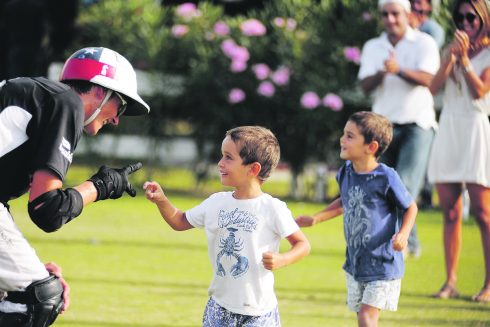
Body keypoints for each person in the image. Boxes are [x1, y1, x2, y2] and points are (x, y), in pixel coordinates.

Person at [0, 46, 149, 326]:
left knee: (21, 289)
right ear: (100, 90)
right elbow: (48, 209)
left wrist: (25, 268)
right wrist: (102, 186)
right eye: (122, 104)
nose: (117, 118)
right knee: (41, 297)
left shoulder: (40, 96)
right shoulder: (67, 102)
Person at [144, 126, 310, 326]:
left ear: (253, 168)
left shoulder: (272, 208)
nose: (220, 163)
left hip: (259, 312)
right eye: (222, 156)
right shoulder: (216, 202)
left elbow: (302, 244)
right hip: (219, 307)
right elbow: (179, 221)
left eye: (228, 157)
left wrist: (283, 259)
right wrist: (162, 200)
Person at [296, 111, 418, 327]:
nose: (342, 139)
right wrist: (315, 219)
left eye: (350, 136)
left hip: (382, 264)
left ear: (371, 147)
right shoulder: (346, 172)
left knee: (366, 318)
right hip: (355, 263)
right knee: (362, 317)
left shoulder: (386, 177)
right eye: (344, 134)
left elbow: (410, 207)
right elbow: (344, 201)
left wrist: (403, 235)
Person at [358, 0, 439, 258]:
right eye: (385, 14)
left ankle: (398, 244)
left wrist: (399, 70)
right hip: (383, 126)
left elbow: (430, 80)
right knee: (384, 186)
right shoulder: (373, 46)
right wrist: (384, 72)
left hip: (418, 123)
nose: (390, 19)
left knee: (404, 185)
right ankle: (406, 243)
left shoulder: (425, 42)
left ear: (407, 14)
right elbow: (365, 85)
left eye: (395, 14)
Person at [427, 0, 490, 303]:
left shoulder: (489, 54)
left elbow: (480, 91)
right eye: (460, 17)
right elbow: (432, 87)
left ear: (483, 20)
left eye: (472, 17)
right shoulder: (449, 50)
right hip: (449, 126)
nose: (465, 22)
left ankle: (489, 283)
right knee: (450, 211)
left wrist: (465, 59)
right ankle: (450, 281)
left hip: (476, 129)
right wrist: (450, 58)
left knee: (483, 212)